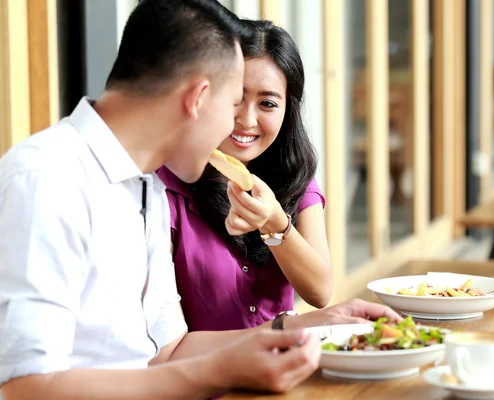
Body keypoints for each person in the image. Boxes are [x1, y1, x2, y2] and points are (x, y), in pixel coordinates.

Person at [0, 1, 401, 399]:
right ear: (197, 98)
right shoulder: (46, 179)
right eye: (231, 105)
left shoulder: (146, 189)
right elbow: (26, 388)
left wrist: (307, 325)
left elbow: (169, 352)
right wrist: (221, 370)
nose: (238, 125)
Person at [157, 19, 332, 333]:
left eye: (267, 103)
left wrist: (275, 224)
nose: (247, 120)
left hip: (280, 367)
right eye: (235, 98)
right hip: (200, 375)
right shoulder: (165, 187)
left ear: (287, 111)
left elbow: (320, 292)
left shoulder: (295, 178)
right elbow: (162, 341)